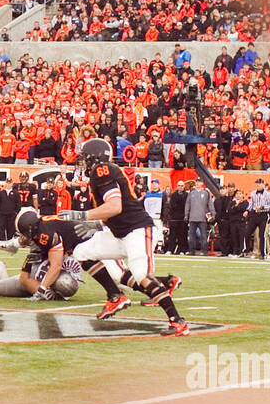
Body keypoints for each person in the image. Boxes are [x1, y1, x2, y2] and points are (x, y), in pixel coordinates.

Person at [59, 138, 186, 331]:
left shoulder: (103, 170)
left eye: (85, 157)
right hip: (119, 233)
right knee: (81, 252)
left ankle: (177, 321)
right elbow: (115, 209)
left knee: (140, 275)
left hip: (137, 230)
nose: (82, 162)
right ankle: (115, 296)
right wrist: (96, 224)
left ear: (95, 157)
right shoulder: (99, 174)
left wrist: (82, 216)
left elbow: (115, 206)